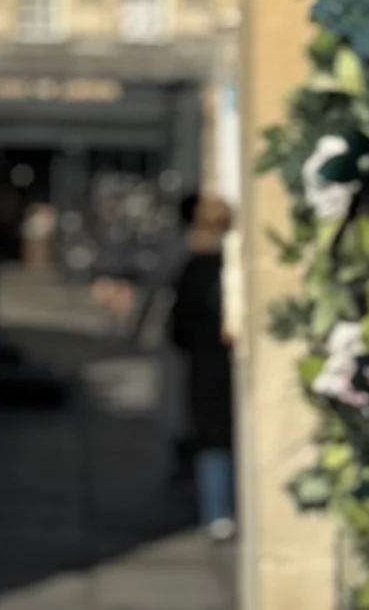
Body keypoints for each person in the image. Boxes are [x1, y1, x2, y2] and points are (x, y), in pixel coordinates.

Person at [169, 195, 237, 541]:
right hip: (231, 363)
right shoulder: (238, 266)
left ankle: (217, 513)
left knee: (211, 437)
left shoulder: (194, 268)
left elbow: (178, 328)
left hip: (204, 363)